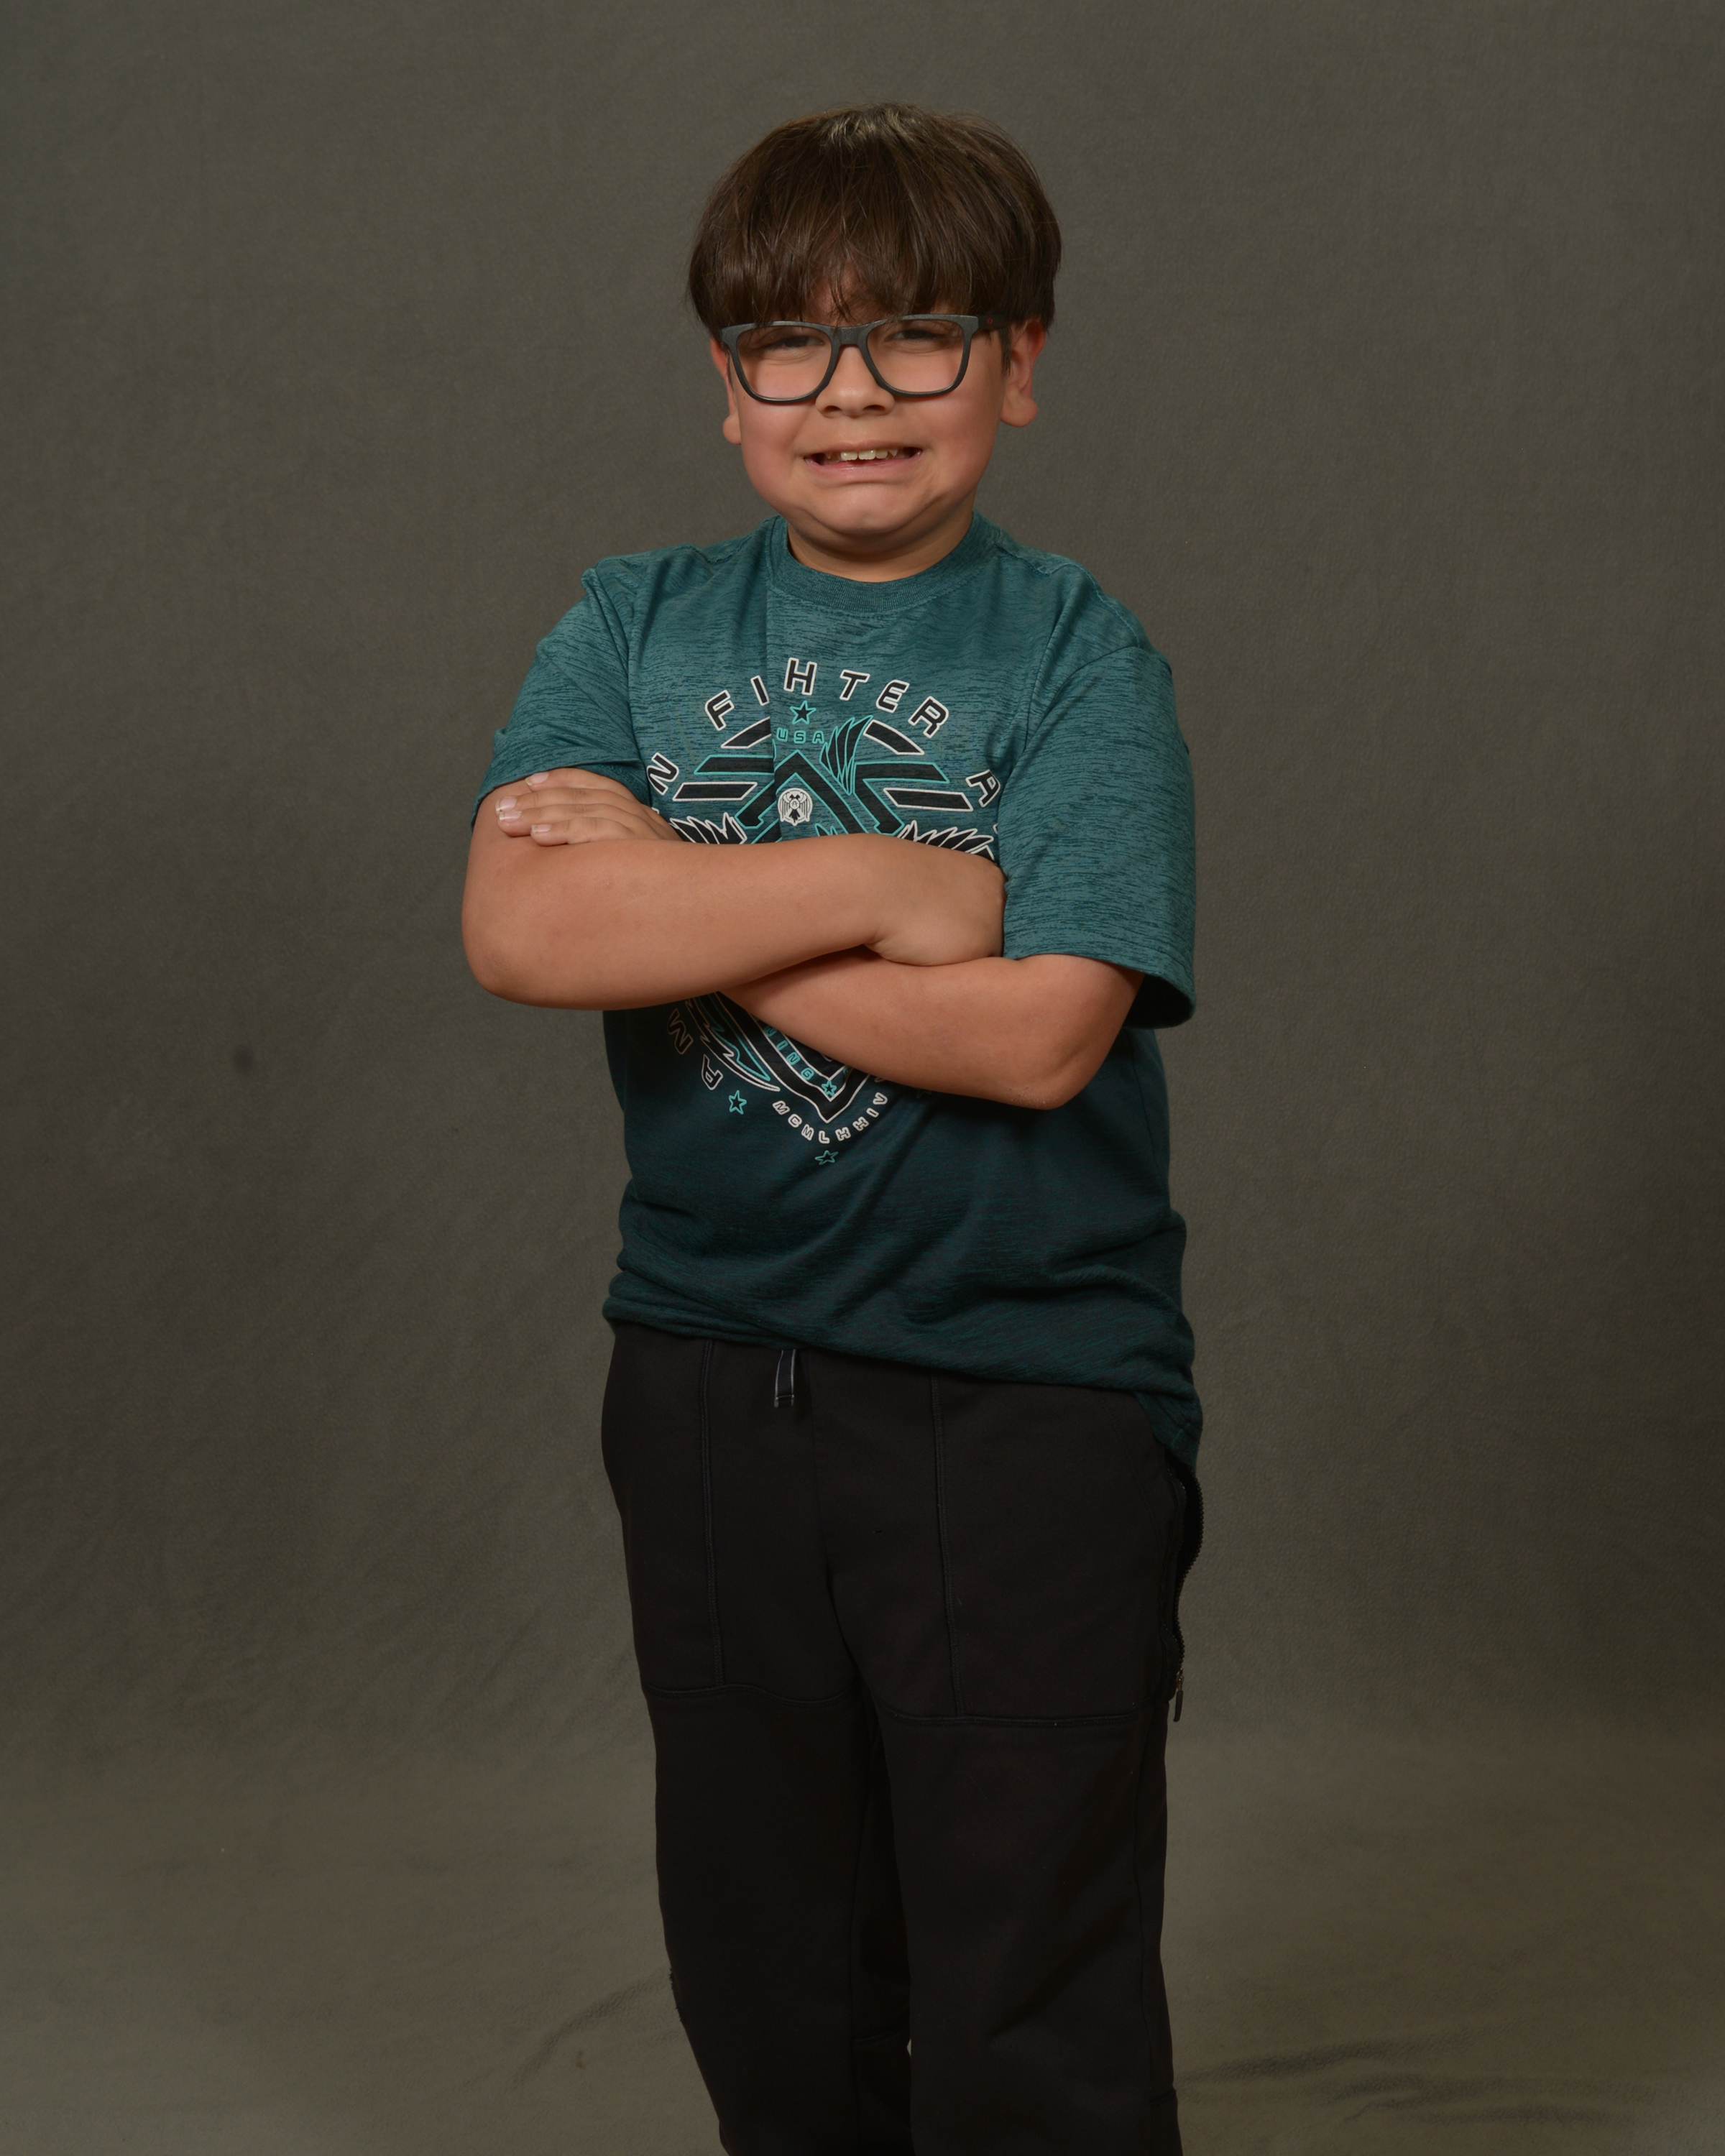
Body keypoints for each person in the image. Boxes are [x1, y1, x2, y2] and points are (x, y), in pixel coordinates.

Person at [463, 101, 1203, 2156]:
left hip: (1026, 1393)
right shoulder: (629, 625)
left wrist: (680, 908)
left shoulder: (1078, 655)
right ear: (728, 384)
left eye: (919, 336)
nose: (851, 394)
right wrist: (893, 884)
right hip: (710, 1378)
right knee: (768, 1971)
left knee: (1024, 1983)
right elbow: (524, 931)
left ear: (1017, 362)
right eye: (790, 343)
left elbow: (1043, 1033)